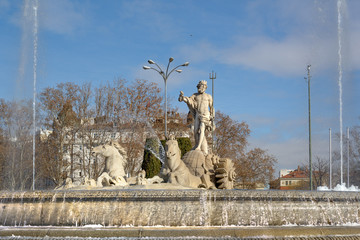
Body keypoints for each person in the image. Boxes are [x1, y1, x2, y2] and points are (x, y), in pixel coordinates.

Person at [178, 80, 214, 155]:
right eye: (199, 87)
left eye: (201, 86)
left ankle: (199, 146)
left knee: (201, 129)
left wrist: (212, 116)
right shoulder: (195, 95)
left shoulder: (208, 96)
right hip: (198, 114)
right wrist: (182, 97)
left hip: (205, 115)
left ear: (204, 87)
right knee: (195, 131)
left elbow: (211, 107)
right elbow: (189, 100)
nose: (199, 88)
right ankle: (197, 145)